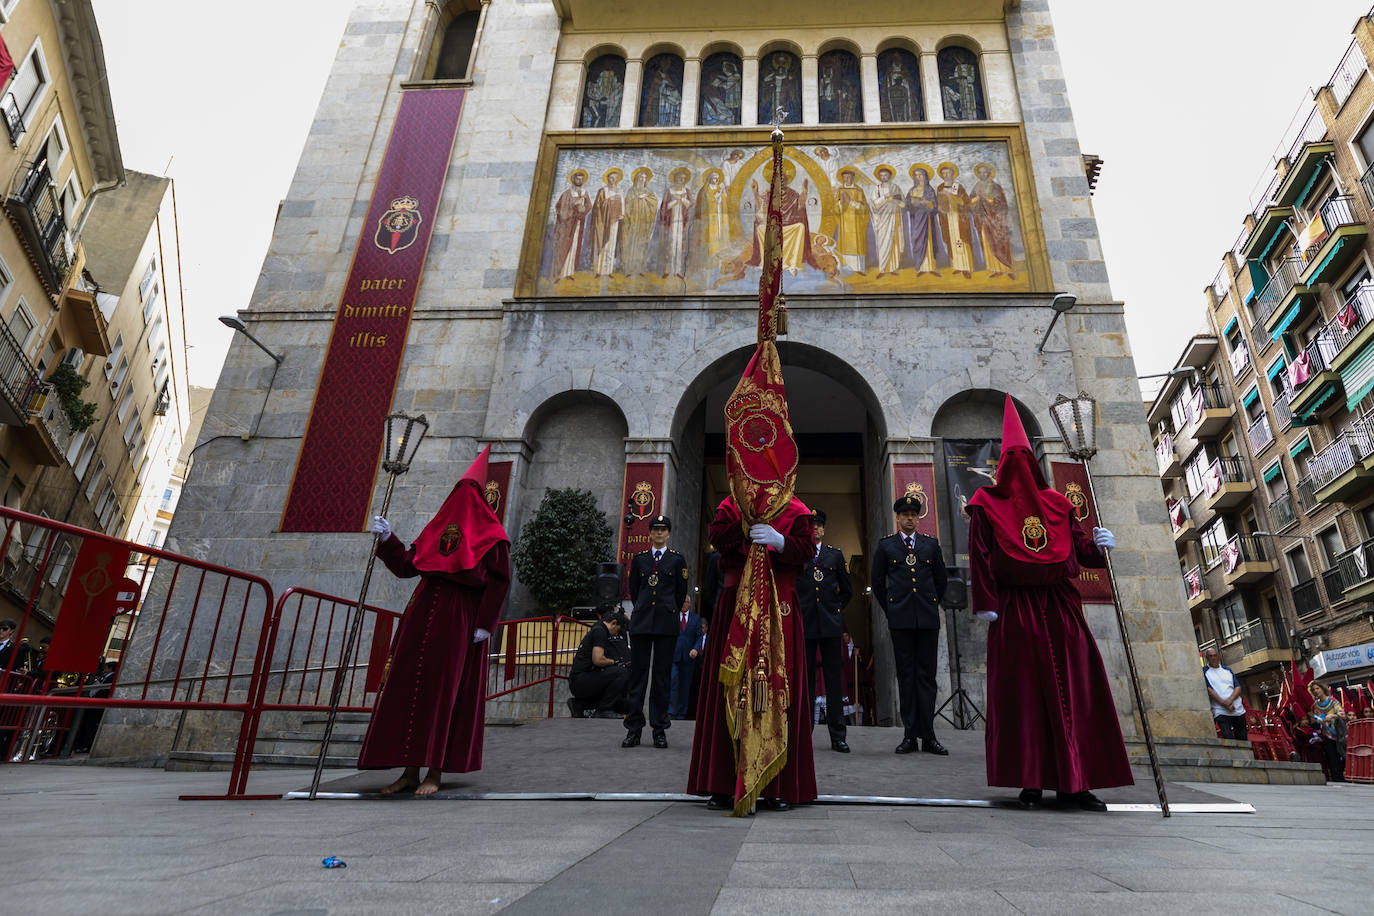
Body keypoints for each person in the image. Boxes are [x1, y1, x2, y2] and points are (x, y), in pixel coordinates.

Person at [968, 394, 1132, 812]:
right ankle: (1030, 780)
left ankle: (1076, 781)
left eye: (1026, 456)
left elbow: (1076, 550)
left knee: (1075, 692)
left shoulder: (1059, 504)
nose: (1020, 464)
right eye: (1013, 458)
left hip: (1060, 608)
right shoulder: (986, 505)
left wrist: (1099, 545)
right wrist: (986, 602)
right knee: (1024, 696)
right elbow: (980, 556)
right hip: (1014, 608)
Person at [357, 446, 511, 796]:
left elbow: (500, 581)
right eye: (458, 491)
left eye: (468, 492)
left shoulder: (492, 536)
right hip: (422, 612)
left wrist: (485, 624)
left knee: (444, 694)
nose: (461, 499)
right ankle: (409, 770)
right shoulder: (437, 528)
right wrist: (387, 539)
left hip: (459, 618)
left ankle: (434, 772)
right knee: (409, 688)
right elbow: (408, 565)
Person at [688, 495, 816, 811]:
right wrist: (744, 526)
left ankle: (777, 786)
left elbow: (807, 550)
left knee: (779, 685)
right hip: (737, 602)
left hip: (780, 603)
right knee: (727, 688)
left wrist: (781, 541)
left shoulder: (797, 510)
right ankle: (722, 784)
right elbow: (716, 537)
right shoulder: (730, 505)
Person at [871, 494, 949, 756]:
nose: (909, 519)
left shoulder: (930, 545)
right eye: (905, 515)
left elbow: (941, 581)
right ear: (898, 517)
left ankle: (929, 736)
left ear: (918, 517)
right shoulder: (887, 547)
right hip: (901, 621)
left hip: (927, 620)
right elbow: (878, 584)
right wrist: (892, 609)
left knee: (926, 677)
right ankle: (909, 735)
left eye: (914, 515)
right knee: (906, 677)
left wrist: (930, 603)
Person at [623, 515, 688, 749]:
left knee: (661, 679)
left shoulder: (676, 560)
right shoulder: (640, 559)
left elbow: (681, 593)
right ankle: (633, 730)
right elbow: (634, 588)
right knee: (637, 678)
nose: (659, 534)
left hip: (665, 624)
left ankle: (659, 729)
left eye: (663, 530)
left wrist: (670, 609)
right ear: (650, 533)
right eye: (655, 530)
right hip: (641, 622)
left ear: (668, 534)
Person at [796, 508, 853, 752]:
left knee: (833, 682)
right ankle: (803, 733)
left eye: (819, 525)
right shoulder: (798, 555)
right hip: (806, 623)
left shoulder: (835, 556)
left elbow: (847, 590)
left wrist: (835, 610)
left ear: (824, 529)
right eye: (812, 525)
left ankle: (838, 735)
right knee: (806, 681)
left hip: (830, 625)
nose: (816, 529)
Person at [568, 610, 631, 718]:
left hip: (579, 680)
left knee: (620, 699)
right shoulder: (600, 632)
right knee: (622, 673)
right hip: (581, 681)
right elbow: (598, 660)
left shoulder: (597, 629)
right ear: (614, 623)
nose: (616, 634)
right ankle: (604, 710)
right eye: (617, 630)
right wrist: (614, 662)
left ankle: (579, 705)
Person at [669, 595, 703, 719]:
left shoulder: (695, 618)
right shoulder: (673, 616)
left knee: (685, 686)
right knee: (672, 683)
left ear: (690, 604)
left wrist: (695, 648)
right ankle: (670, 711)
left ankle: (681, 713)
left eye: (686, 602)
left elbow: (699, 636)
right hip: (674, 656)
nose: (684, 604)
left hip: (689, 658)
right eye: (682, 602)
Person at [1203, 647, 1247, 740]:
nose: (1213, 658)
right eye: (1210, 656)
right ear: (1207, 658)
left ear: (1218, 656)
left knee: (1243, 739)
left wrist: (1230, 701)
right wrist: (1225, 705)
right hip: (1220, 711)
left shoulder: (1227, 670)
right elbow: (1210, 690)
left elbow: (1237, 687)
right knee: (1228, 737)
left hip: (1237, 709)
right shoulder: (1204, 671)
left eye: (1215, 655)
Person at [1308, 681, 1348, 782]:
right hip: (1326, 735)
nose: (1316, 691)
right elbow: (1316, 720)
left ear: (1322, 688)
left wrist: (1332, 716)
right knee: (1332, 758)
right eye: (1313, 690)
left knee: (1343, 756)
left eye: (1317, 688)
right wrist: (1316, 720)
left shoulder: (1332, 700)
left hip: (1339, 734)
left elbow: (1343, 714)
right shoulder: (1316, 705)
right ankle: (1337, 779)